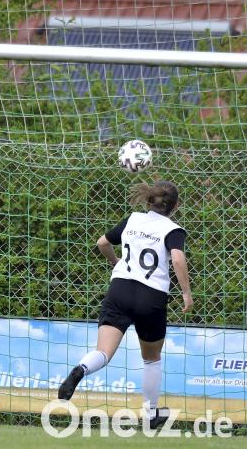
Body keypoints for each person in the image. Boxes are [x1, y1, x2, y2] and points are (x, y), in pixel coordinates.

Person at [58, 180, 192, 430]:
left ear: (148, 201)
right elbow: (176, 258)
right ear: (175, 206)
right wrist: (186, 293)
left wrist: (116, 262)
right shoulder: (173, 230)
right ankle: (151, 414)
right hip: (151, 296)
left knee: (104, 352)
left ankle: (81, 368)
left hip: (119, 289)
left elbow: (102, 243)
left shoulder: (132, 220)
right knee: (151, 358)